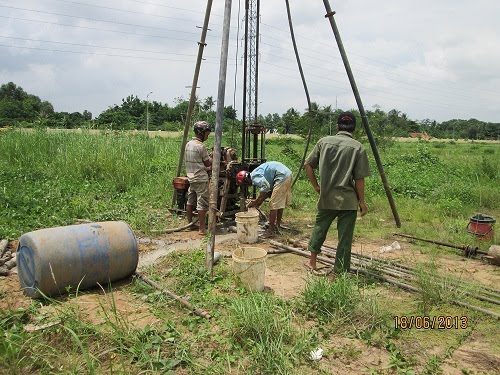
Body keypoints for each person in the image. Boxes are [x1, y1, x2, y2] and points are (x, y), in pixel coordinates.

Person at [303, 111, 370, 273]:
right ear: (354, 128)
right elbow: (359, 179)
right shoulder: (357, 147)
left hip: (327, 197)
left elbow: (308, 164)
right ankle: (339, 271)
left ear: (337, 125)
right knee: (345, 237)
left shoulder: (323, 142)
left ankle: (312, 262)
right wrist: (362, 202)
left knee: (320, 228)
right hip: (348, 201)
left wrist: (317, 187)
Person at [236, 161, 292, 238]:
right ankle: (277, 226)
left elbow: (265, 187)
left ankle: (271, 231)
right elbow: (268, 191)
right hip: (286, 174)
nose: (248, 186)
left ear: (246, 180)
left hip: (282, 177)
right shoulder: (256, 173)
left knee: (273, 204)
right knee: (279, 203)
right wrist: (259, 201)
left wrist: (257, 201)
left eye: (245, 184)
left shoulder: (254, 177)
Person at [185, 121, 212, 235]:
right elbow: (207, 163)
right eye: (207, 133)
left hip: (191, 178)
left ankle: (190, 224)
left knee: (191, 200)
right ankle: (201, 229)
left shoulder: (188, 144)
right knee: (202, 202)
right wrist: (213, 157)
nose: (208, 135)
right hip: (201, 179)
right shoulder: (200, 146)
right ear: (201, 133)